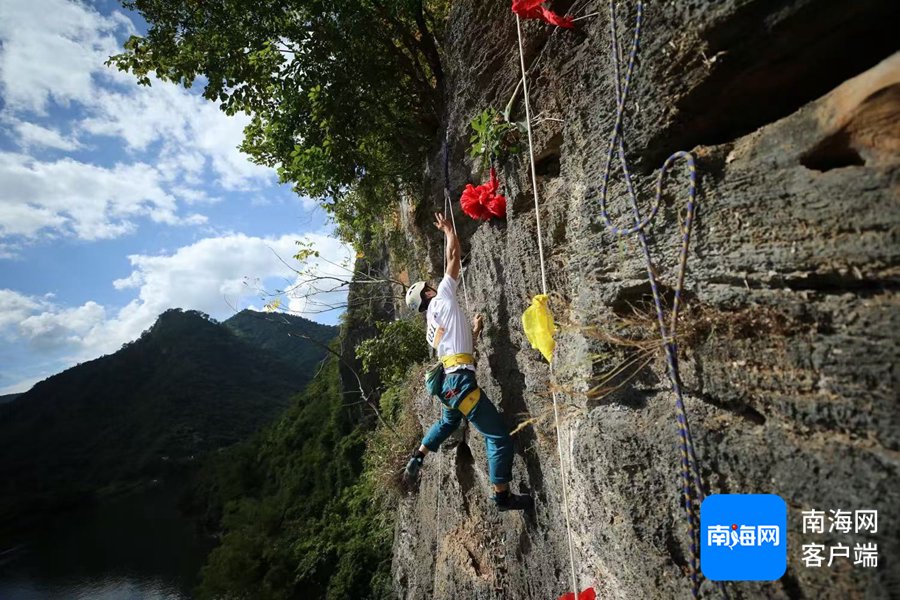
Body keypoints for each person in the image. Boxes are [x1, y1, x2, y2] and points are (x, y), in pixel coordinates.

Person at [403, 212, 532, 512]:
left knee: (449, 421)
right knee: (498, 436)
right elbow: (453, 257)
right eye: (429, 286)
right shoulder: (442, 299)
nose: (433, 285)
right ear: (428, 293)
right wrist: (449, 230)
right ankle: (502, 495)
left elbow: (454, 348)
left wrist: (473, 331)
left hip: (450, 384)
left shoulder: (431, 326)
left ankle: (420, 454)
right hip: (460, 383)